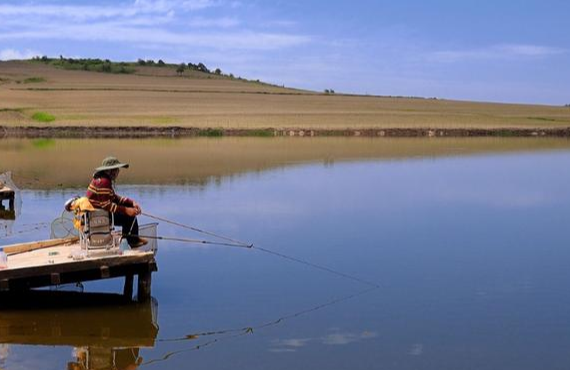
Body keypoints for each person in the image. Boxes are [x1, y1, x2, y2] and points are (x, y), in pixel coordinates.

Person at [86, 156, 147, 248]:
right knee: (129, 217)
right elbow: (106, 205)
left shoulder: (102, 179)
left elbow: (114, 198)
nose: (118, 172)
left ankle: (133, 238)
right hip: (100, 214)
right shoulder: (104, 182)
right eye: (116, 170)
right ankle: (132, 241)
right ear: (111, 171)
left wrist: (131, 203)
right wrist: (126, 210)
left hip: (101, 211)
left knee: (128, 210)